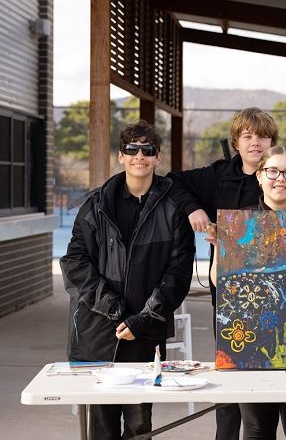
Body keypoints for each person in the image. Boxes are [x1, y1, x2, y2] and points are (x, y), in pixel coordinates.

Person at [167, 107, 286, 439]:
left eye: (262, 136)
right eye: (247, 136)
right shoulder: (218, 177)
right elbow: (173, 182)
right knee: (243, 409)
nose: (279, 178)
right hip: (238, 311)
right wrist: (200, 217)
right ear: (237, 142)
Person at [60, 120, 195, 440]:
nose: (139, 156)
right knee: (102, 424)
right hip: (98, 329)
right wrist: (114, 308)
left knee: (139, 424)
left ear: (157, 157)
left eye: (147, 150)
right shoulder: (95, 204)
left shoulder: (174, 207)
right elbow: (75, 262)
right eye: (131, 149)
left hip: (145, 331)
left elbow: (178, 272)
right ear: (120, 155)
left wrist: (143, 319)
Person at [207, 146, 286, 440]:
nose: (279, 178)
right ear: (260, 176)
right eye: (272, 171)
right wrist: (222, 250)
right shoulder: (239, 222)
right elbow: (220, 283)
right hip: (253, 344)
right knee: (257, 430)